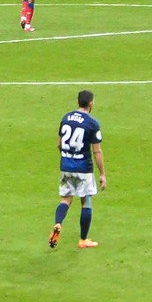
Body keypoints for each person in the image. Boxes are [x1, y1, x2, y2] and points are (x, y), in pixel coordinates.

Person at [48, 89, 106, 250]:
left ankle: (58, 223)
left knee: (66, 199)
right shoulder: (92, 123)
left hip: (66, 165)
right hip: (83, 168)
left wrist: (67, 157)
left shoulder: (66, 118)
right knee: (86, 201)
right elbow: (97, 151)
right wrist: (102, 174)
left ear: (77, 102)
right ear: (91, 103)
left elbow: (59, 144)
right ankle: (83, 240)